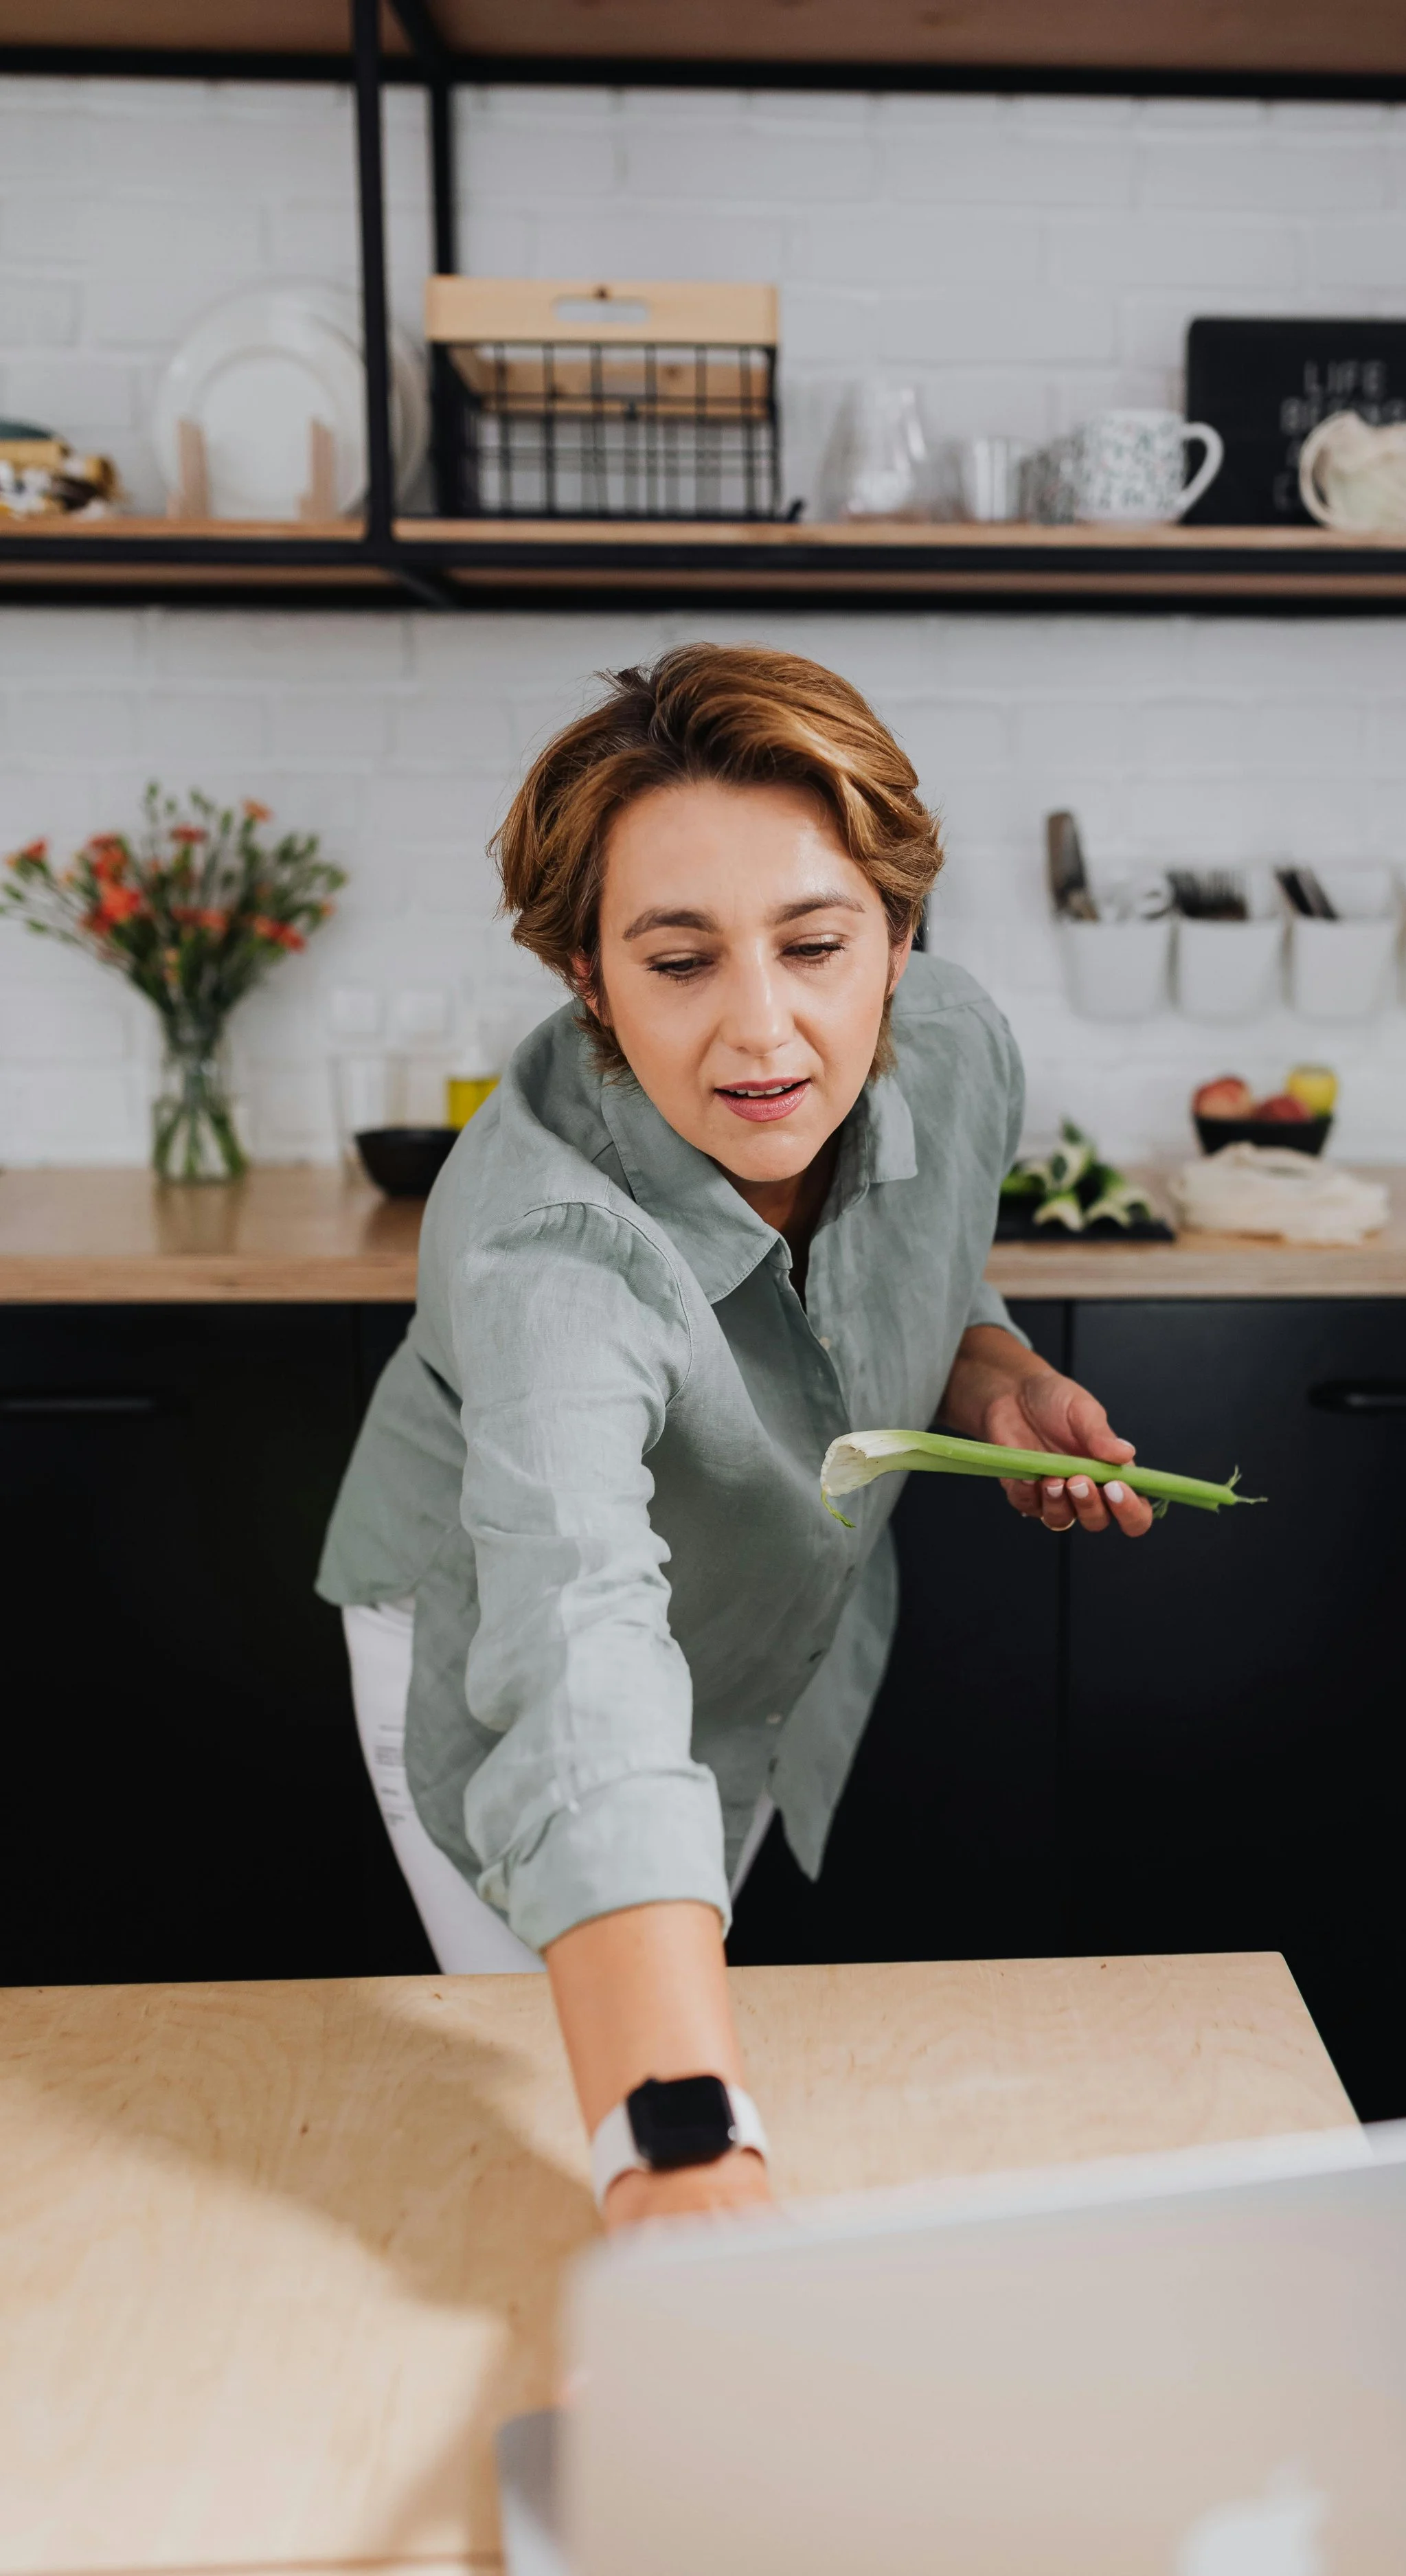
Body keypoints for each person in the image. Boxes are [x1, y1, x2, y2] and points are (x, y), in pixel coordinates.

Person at [319, 644, 1152, 2228]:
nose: (764, 1036)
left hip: (753, 1617)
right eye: (680, 961)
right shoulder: (542, 1252)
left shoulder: (957, 1045)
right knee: (581, 2126)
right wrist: (690, 2159)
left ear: (898, 940)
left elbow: (915, 1253)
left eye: (816, 945)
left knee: (646, 2056)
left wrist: (983, 1372)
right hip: (505, 1639)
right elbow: (576, 1643)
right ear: (588, 978)